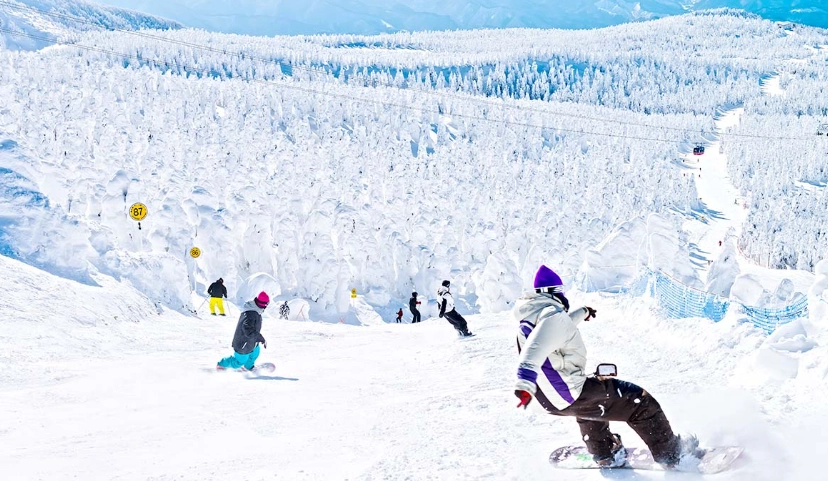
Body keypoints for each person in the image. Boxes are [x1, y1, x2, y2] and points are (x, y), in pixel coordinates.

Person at [513, 265, 698, 469]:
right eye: (561, 291)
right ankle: (671, 454)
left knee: (593, 401)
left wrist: (583, 312)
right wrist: (524, 383)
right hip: (564, 392)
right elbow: (533, 351)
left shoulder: (533, 315)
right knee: (640, 402)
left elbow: (557, 328)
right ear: (555, 292)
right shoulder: (551, 315)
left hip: (545, 401)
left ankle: (605, 453)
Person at [216, 292, 269, 371]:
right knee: (238, 362)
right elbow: (247, 329)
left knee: (255, 353)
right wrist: (260, 338)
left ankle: (248, 366)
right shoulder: (251, 314)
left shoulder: (255, 310)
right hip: (242, 344)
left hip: (251, 341)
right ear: (263, 305)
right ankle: (222, 364)